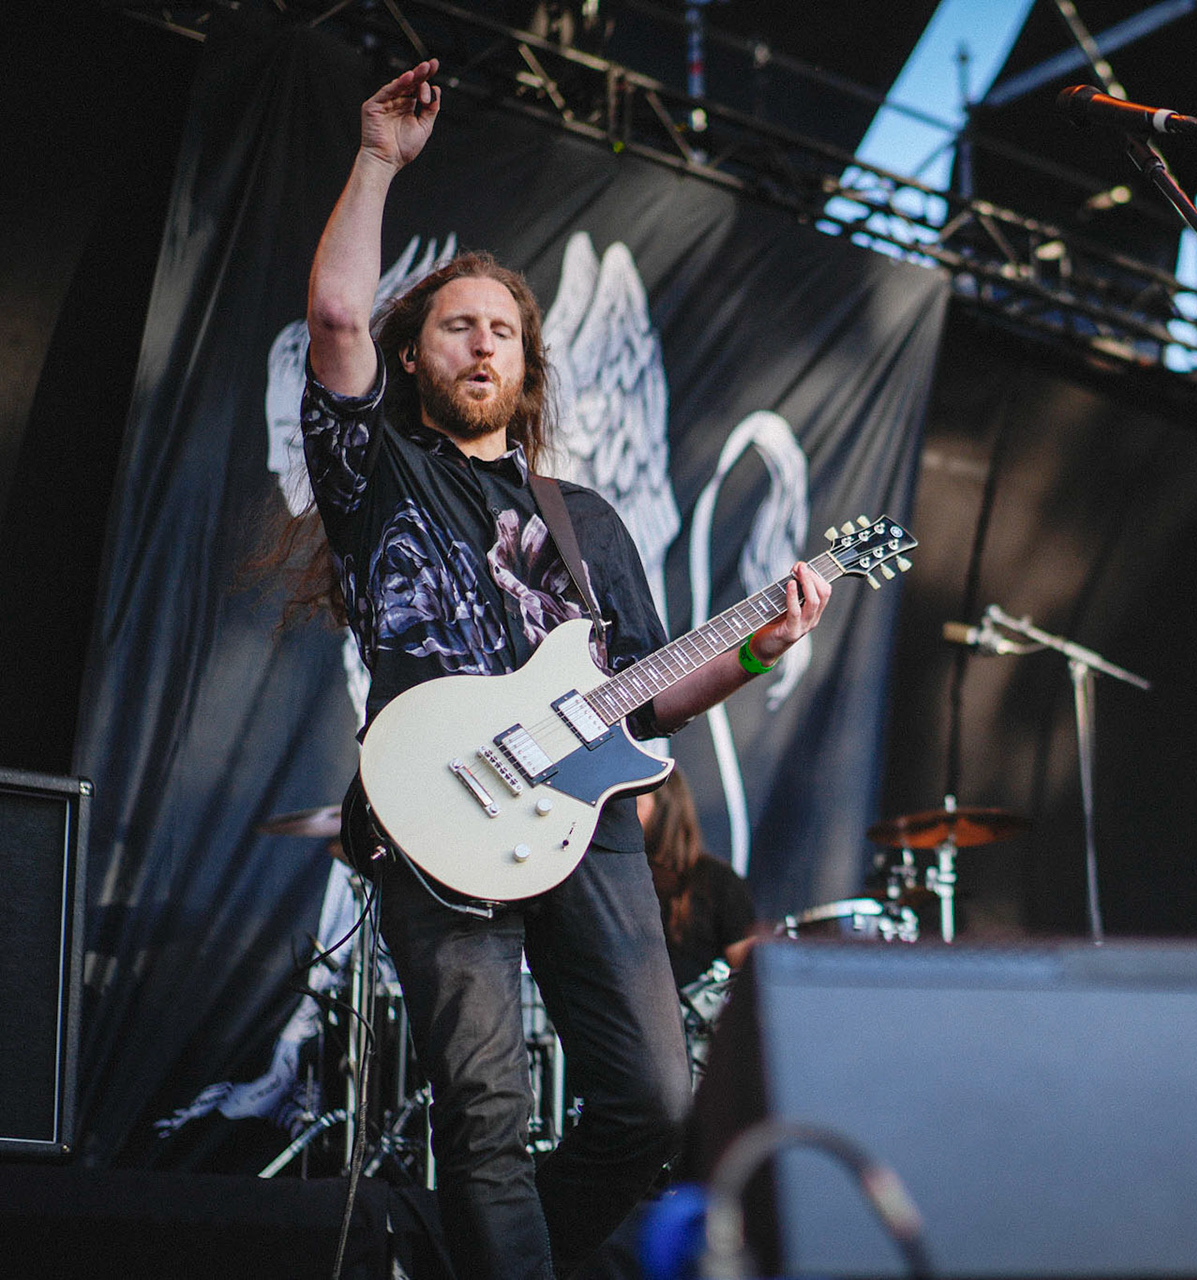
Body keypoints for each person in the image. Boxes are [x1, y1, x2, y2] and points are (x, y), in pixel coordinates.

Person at [300, 60, 831, 1279]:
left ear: (528, 369)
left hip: (583, 819)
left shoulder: (584, 516)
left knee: (654, 1101)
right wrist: (379, 155)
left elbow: (650, 687)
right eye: (455, 323)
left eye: (503, 329)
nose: (481, 341)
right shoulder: (377, 467)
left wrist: (759, 643)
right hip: (437, 808)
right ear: (415, 351)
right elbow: (333, 318)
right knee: (483, 1120)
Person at [637, 771, 761, 988]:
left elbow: (748, 969)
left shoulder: (718, 880)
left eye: (633, 806)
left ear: (665, 810)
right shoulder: (614, 880)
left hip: (689, 1014)